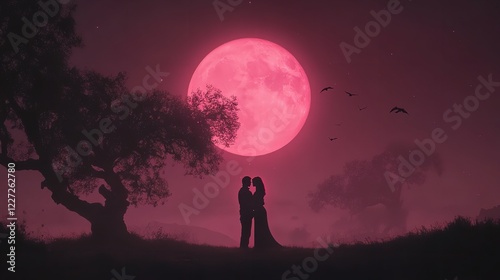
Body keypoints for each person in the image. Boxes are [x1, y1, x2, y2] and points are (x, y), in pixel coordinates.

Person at [252, 177, 282, 249]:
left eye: (253, 181)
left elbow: (257, 201)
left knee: (260, 228)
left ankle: (260, 245)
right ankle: (259, 244)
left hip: (259, 211)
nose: (252, 183)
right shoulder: (259, 191)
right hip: (259, 211)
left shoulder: (258, 192)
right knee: (260, 228)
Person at [238, 176, 253, 249]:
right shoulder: (246, 192)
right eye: (249, 181)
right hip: (246, 214)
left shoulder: (242, 191)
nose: (250, 183)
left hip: (244, 214)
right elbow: (248, 204)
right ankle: (244, 247)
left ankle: (243, 247)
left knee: (245, 232)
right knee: (246, 232)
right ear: (246, 182)